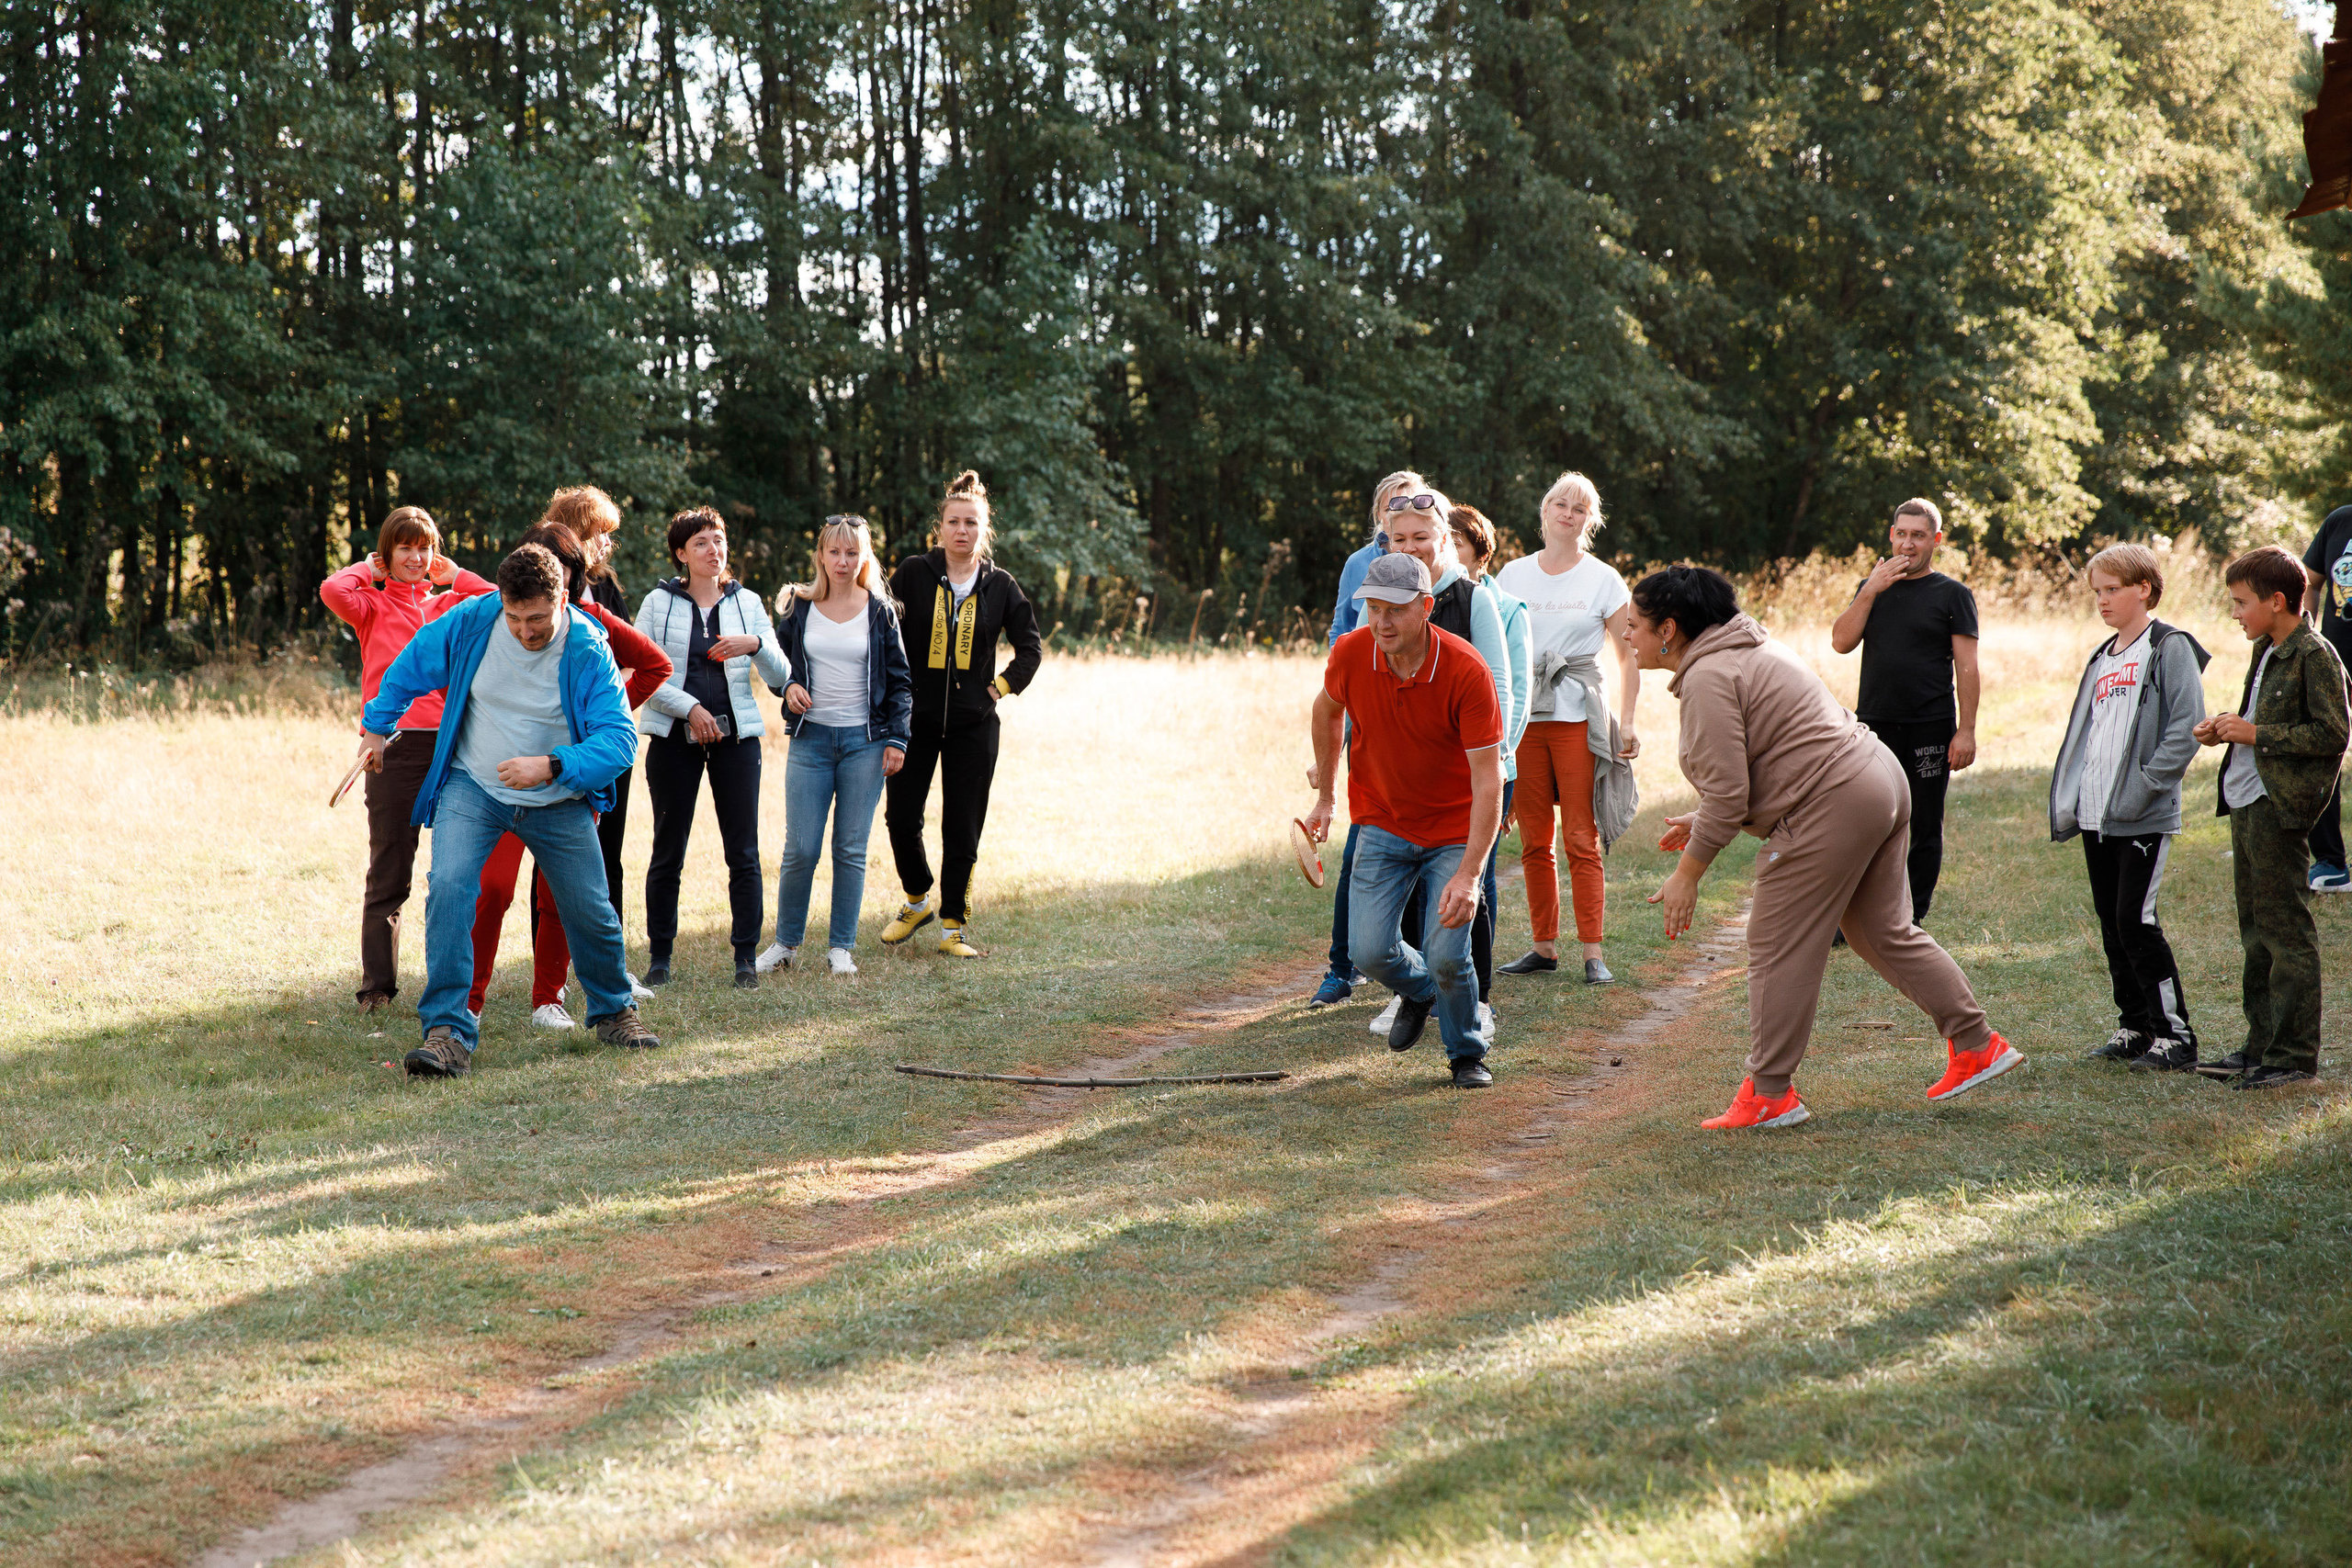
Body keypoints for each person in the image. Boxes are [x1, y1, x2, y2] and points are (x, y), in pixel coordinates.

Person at [1635, 565, 2020, 1129]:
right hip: (1874, 777)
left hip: (1834, 799)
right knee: (1879, 930)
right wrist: (1705, 818)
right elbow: (1766, 758)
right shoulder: (1745, 647)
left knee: (1775, 941)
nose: (1625, 635)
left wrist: (1687, 875)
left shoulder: (1710, 677)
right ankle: (1976, 1043)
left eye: (1633, 625)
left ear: (1668, 628)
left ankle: (1768, 1094)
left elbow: (1728, 790)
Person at [356, 543, 661, 1076]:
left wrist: (554, 765)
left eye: (538, 617)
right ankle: (448, 1032)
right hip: (474, 786)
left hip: (557, 797)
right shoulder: (474, 621)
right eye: (515, 617)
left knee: (589, 906)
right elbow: (409, 668)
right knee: (450, 889)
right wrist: (379, 727)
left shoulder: (587, 647)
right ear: (501, 600)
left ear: (563, 597)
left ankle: (613, 1011)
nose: (525, 630)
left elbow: (618, 739)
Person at [463, 522, 684, 1028]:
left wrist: (597, 725)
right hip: (501, 780)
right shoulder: (499, 619)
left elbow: (655, 665)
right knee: (491, 888)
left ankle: (549, 999)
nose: (551, 574)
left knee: (563, 893)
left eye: (561, 565)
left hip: (569, 779)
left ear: (572, 574)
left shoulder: (591, 623)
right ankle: (468, 1002)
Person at [1304, 552, 1505, 1088]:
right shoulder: (1351, 655)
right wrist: (1326, 799)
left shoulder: (1466, 670)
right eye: (1372, 608)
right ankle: (1419, 992)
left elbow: (1489, 780)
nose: (1382, 622)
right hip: (1383, 820)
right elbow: (1325, 712)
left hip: (1453, 831)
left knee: (1446, 951)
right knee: (1367, 951)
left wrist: (1470, 874)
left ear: (1426, 607)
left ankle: (1465, 1052)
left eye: (1395, 609)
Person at [320, 506, 495, 1012]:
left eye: (424, 548)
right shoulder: (371, 605)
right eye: (405, 548)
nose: (416, 558)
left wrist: (456, 575)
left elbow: (498, 599)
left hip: (453, 746)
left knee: (456, 871)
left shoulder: (450, 606)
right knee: (390, 867)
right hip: (392, 748)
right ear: (388, 553)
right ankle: (378, 986)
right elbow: (334, 590)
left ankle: (458, 984)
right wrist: (368, 572)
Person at [2192, 546, 2350, 1089]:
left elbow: (2333, 734)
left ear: (2276, 600)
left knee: (2286, 934)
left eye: (2240, 602)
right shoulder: (2267, 649)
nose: (2235, 612)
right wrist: (2227, 727)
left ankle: (2293, 1056)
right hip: (2246, 799)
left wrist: (2255, 733)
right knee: (2255, 932)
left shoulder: (2315, 653)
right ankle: (2260, 1047)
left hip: (2278, 806)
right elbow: (2261, 720)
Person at [2047, 545, 2208, 1071]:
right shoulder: (2102, 655)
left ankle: (2174, 1035)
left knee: (2135, 920)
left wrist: (2142, 790)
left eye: (2112, 589)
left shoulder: (2168, 646)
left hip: (2141, 814)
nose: (2102, 600)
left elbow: (2185, 729)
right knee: (2111, 923)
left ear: (2144, 588)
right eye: (2096, 591)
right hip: (2098, 814)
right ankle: (2135, 1027)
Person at [1364, 485, 1516, 1037]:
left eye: (1422, 537)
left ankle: (1477, 1002)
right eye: (1398, 538)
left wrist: (1499, 763)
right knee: (1401, 894)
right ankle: (1412, 992)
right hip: (1403, 777)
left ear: (1444, 539)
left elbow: (1501, 685)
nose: (1411, 547)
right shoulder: (1379, 596)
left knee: (1469, 892)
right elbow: (1362, 680)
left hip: (1475, 774)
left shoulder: (1472, 598)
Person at [880, 471, 1044, 958]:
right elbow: (882, 631)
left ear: (983, 528)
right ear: (940, 527)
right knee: (901, 818)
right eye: (953, 521)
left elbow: (1030, 649)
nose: (961, 531)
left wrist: (998, 687)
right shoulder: (912, 573)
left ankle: (953, 926)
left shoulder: (1001, 585)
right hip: (915, 722)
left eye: (971, 522)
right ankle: (916, 899)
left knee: (963, 825)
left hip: (975, 726)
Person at [1492, 471, 1641, 985]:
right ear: (1544, 511)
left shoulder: (1604, 579)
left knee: (1580, 835)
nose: (1568, 514)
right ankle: (1543, 947)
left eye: (1580, 508)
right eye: (1560, 503)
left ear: (1590, 520)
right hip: (1525, 719)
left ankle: (1593, 953)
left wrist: (1630, 722)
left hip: (1579, 718)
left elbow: (1628, 657)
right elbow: (1495, 654)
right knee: (1534, 838)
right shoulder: (1511, 576)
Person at [635, 507, 792, 989]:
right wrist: (690, 709)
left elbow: (782, 678)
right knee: (668, 851)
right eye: (701, 542)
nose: (713, 550)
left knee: (742, 851)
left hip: (737, 741)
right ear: (681, 554)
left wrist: (756, 645)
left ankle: (746, 957)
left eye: (719, 540)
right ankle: (659, 957)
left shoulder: (749, 604)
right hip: (674, 740)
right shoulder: (658, 604)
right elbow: (640, 671)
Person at [759, 515, 913, 977]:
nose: (843, 561)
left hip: (866, 744)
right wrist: (788, 687)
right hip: (811, 741)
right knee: (801, 848)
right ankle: (786, 944)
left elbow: (902, 682)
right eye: (835, 552)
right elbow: (777, 666)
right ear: (821, 556)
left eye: (852, 553)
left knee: (850, 848)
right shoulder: (799, 606)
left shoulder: (880, 611)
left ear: (863, 557)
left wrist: (898, 738)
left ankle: (840, 947)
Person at [1827, 498, 1980, 922]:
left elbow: (1967, 666)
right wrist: (1872, 590)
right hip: (1873, 724)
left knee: (1925, 825)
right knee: (1862, 822)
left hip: (1929, 726)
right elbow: (1840, 642)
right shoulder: (1870, 587)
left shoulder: (1953, 595)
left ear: (1936, 540)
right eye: (1901, 534)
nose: (1908, 544)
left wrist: (1965, 731)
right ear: (1891, 534)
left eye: (1918, 535)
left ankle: (1909, 919)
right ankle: (1852, 918)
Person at [1309, 469, 1418, 1010]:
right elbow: (1339, 634)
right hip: (1365, 715)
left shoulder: (1430, 574)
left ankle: (1409, 971)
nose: (1400, 516)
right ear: (1380, 514)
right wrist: (1339, 737)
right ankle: (1341, 968)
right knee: (1361, 845)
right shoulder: (1358, 565)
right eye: (1391, 506)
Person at [545, 484, 660, 995]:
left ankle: (607, 963)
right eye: (600, 535)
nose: (607, 546)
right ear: (573, 535)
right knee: (549, 865)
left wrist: (612, 717)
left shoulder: (606, 590)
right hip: (549, 746)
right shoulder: (536, 585)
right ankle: (552, 979)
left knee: (606, 854)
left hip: (604, 748)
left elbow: (634, 663)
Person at [1448, 505, 1531, 1016]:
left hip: (1493, 762)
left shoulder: (1506, 609)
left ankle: (1479, 989)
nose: (1449, 551)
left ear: (1480, 552)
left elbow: (1516, 692)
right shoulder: (1431, 603)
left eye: (1458, 542)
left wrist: (1499, 757)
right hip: (1445, 766)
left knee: (1478, 870)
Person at [2298, 502, 2352, 889]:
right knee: (2319, 756)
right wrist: (2305, 638)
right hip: (2337, 668)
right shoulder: (2340, 520)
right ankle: (2330, 863)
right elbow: (2309, 582)